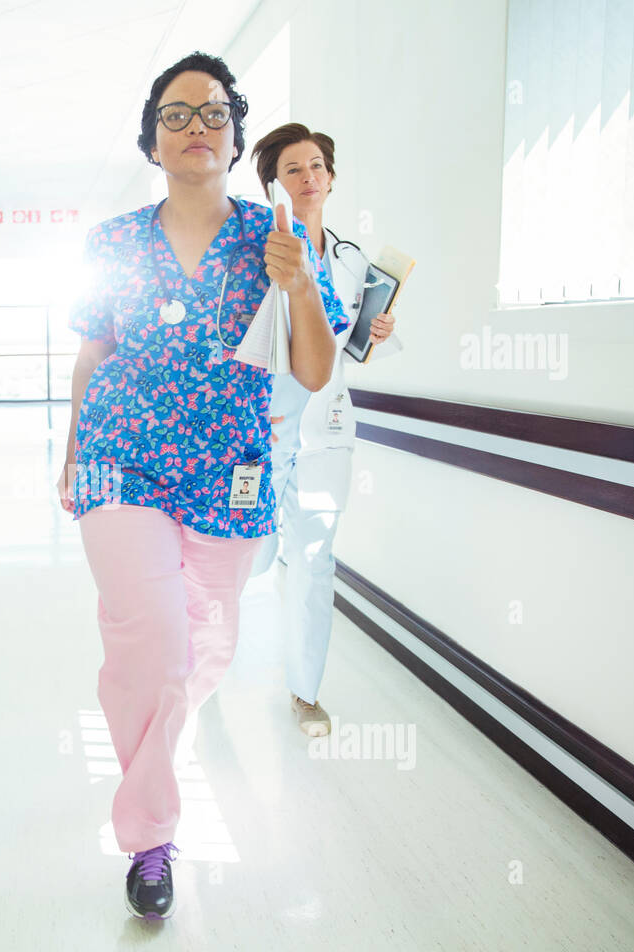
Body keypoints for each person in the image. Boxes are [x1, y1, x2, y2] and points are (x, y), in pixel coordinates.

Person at [57, 54, 349, 920]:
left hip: (232, 468)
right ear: (152, 138)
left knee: (204, 649)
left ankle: (155, 749)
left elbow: (314, 366)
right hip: (122, 459)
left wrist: (298, 287)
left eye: (212, 114)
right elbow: (93, 350)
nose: (195, 128)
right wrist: (74, 449)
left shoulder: (275, 236)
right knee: (150, 638)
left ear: (235, 133)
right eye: (176, 115)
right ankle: (152, 837)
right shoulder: (112, 240)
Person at [248, 123, 402, 737]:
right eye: (293, 168)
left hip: (329, 428)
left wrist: (379, 333)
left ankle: (305, 693)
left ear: (331, 178)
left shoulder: (351, 260)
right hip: (261, 428)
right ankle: (205, 658)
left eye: (317, 166)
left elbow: (353, 348)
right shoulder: (259, 252)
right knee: (251, 560)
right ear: (272, 186)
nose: (308, 177)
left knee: (314, 560)